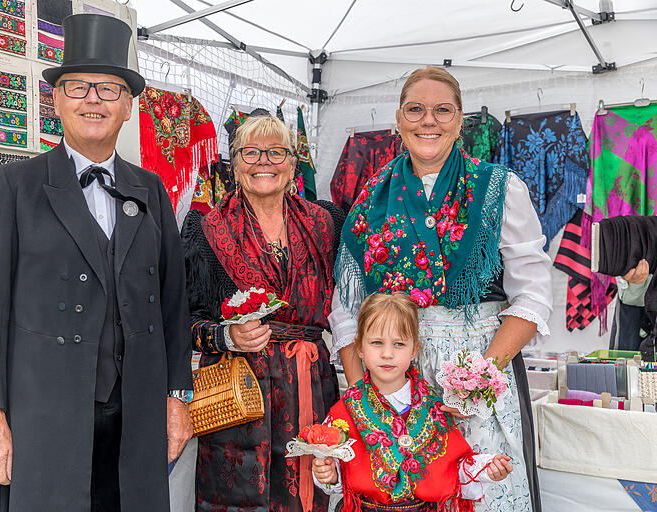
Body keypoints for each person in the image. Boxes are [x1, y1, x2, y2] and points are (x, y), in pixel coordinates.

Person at [0, 14, 193, 512]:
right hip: (44, 414)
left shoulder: (151, 189)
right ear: (56, 99)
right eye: (78, 87)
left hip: (135, 416)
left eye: (109, 89)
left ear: (129, 106)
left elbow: (174, 309)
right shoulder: (14, 187)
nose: (93, 99)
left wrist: (177, 398)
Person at [329, 66, 552, 512]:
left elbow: (533, 294)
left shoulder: (500, 189)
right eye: (415, 109)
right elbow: (346, 311)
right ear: (398, 119)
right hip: (395, 377)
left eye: (441, 110)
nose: (427, 120)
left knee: (484, 489)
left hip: (481, 369)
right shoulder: (370, 197)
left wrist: (480, 378)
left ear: (460, 119)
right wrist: (365, 401)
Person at [182, 115, 342, 511]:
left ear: (293, 162)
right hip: (238, 394)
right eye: (250, 153)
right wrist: (225, 337)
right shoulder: (205, 228)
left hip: (310, 384)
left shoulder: (326, 222)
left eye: (276, 152)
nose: (263, 162)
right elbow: (181, 320)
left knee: (312, 488)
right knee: (239, 497)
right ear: (234, 164)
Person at [313, 293, 513, 512]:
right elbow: (338, 473)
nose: (387, 354)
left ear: (414, 350)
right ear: (359, 347)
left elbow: (451, 469)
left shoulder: (434, 409)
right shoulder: (345, 411)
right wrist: (329, 474)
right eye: (377, 343)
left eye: (399, 344)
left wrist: (487, 468)